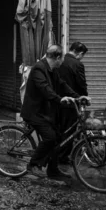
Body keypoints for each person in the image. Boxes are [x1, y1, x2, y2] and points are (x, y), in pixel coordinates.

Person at [21, 44, 88, 179]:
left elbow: (62, 84)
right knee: (50, 137)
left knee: (58, 138)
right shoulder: (39, 69)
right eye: (62, 57)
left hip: (46, 112)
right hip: (34, 112)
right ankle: (33, 164)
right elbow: (44, 89)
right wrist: (60, 99)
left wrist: (78, 97)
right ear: (57, 57)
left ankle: (53, 170)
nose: (63, 60)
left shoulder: (53, 70)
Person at [57, 41, 89, 163]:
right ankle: (63, 157)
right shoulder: (77, 64)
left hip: (57, 101)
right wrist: (84, 97)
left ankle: (56, 154)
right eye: (83, 55)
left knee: (60, 129)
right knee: (70, 131)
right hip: (71, 103)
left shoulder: (59, 60)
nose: (82, 58)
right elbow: (81, 84)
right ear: (80, 53)